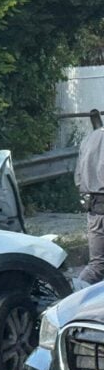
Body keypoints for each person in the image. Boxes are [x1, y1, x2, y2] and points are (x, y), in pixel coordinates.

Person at [74, 110, 104, 286]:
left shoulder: (88, 139)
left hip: (94, 209)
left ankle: (73, 301)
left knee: (97, 264)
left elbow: (78, 177)